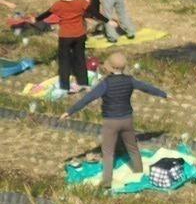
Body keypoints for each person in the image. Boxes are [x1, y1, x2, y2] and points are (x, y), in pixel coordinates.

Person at [65, 48, 166, 187]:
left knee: (108, 152)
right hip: (127, 119)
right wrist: (164, 94)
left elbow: (88, 98)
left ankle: (107, 182)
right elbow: (147, 88)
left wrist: (70, 111)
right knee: (132, 147)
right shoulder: (130, 80)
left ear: (110, 68)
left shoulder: (105, 83)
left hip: (110, 122)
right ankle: (138, 171)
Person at [39, 0, 93, 94]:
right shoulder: (81, 3)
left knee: (64, 61)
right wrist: (108, 21)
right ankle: (84, 83)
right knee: (80, 59)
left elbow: (46, 14)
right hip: (80, 35)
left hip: (66, 36)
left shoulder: (58, 5)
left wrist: (35, 19)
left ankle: (65, 86)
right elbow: (95, 13)